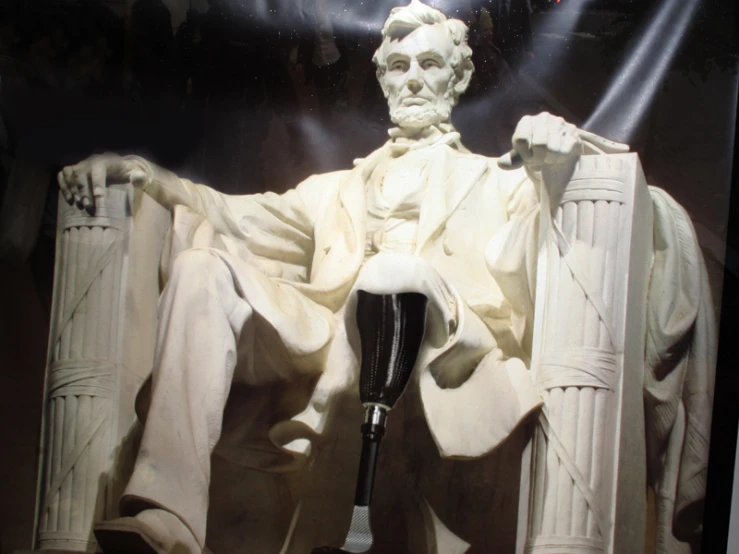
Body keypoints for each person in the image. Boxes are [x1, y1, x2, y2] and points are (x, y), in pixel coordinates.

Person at [56, 1, 711, 553]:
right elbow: (232, 214)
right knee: (202, 265)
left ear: (457, 80)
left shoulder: (498, 180)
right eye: (398, 67)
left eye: (429, 65)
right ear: (383, 82)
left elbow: (551, 246)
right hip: (327, 337)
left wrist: (558, 164)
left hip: (445, 351)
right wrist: (149, 175)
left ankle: (351, 458)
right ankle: (167, 514)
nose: (413, 79)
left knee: (394, 271)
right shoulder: (332, 190)